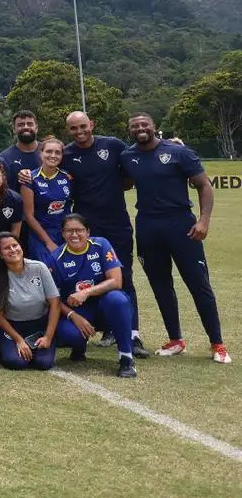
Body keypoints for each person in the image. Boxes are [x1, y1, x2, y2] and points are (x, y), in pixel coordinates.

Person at [120, 112, 229, 363]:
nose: (140, 128)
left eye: (144, 124)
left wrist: (203, 220)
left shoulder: (179, 151)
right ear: (130, 131)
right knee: (161, 285)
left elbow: (203, 185)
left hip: (181, 224)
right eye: (134, 126)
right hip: (147, 225)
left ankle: (217, 344)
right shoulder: (127, 156)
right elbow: (123, 182)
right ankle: (176, 340)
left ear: (153, 126)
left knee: (198, 284)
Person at [54, 110, 145, 354]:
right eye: (74, 129)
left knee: (123, 277)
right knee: (91, 278)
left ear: (92, 124)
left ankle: (132, 334)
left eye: (83, 126)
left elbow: (134, 165)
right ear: (68, 131)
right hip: (85, 231)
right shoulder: (67, 154)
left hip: (117, 225)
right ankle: (105, 329)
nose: (80, 132)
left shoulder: (113, 145)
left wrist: (170, 144)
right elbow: (49, 168)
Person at [51, 214, 138, 377]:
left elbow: (116, 281)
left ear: (87, 232)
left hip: (104, 307)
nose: (74, 235)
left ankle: (126, 358)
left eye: (79, 230)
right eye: (69, 231)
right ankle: (78, 347)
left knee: (117, 299)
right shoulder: (56, 258)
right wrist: (73, 316)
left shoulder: (101, 245)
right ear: (62, 234)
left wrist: (86, 292)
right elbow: (52, 298)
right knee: (68, 335)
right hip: (79, 312)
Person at [0, 231, 61, 371]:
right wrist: (18, 340)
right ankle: (8, 346)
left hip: (39, 324)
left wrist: (48, 337)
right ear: (0, 255)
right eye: (6, 248)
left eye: (15, 245)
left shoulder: (39, 267)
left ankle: (41, 347)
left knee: (44, 363)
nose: (13, 250)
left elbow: (55, 304)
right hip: (13, 327)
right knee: (16, 362)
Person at [21, 136, 72, 265]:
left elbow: (69, 208)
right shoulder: (30, 178)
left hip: (64, 234)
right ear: (41, 153)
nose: (53, 155)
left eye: (57, 152)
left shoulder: (67, 177)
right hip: (41, 236)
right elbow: (28, 215)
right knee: (46, 272)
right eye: (49, 151)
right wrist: (48, 242)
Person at [0, 110, 42, 175]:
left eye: (29, 124)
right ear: (14, 129)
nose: (25, 127)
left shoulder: (51, 152)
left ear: (36, 128)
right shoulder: (4, 158)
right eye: (20, 125)